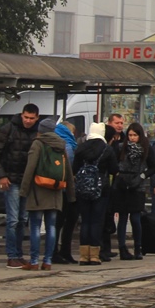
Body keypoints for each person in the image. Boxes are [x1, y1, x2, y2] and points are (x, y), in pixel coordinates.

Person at [0, 102, 41, 269]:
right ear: (22, 114)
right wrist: (1, 176)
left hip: (27, 182)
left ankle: (18, 254)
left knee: (22, 220)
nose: (28, 121)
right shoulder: (9, 129)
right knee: (12, 220)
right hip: (11, 180)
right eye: (26, 117)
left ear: (36, 118)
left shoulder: (38, 133)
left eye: (31, 118)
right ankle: (12, 255)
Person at [20, 117, 75, 271]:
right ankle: (48, 261)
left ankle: (34, 261)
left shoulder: (38, 144)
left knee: (36, 226)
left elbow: (30, 168)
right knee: (52, 226)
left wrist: (23, 190)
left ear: (41, 130)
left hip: (38, 191)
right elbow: (68, 172)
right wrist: (71, 193)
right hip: (56, 192)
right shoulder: (61, 145)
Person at [74, 122, 118, 266]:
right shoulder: (107, 149)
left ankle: (83, 256)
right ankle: (94, 255)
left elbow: (74, 168)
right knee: (96, 221)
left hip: (83, 189)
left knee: (85, 221)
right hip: (101, 189)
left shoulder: (81, 148)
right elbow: (113, 169)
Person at [113, 123, 155, 259]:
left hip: (137, 186)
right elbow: (114, 163)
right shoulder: (121, 147)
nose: (132, 138)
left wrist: (143, 176)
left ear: (140, 136)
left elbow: (154, 166)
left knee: (136, 218)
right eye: (130, 135)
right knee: (123, 218)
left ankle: (138, 247)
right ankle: (122, 248)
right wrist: (119, 175)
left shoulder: (146, 148)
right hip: (123, 185)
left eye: (135, 135)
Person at [51, 120, 79, 264]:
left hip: (57, 188)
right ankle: (62, 251)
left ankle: (56, 251)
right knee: (66, 221)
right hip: (66, 189)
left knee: (58, 221)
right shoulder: (68, 146)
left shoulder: (55, 143)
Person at [100, 111, 126, 262]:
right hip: (106, 182)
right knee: (104, 216)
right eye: (117, 123)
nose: (120, 126)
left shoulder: (123, 140)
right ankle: (103, 248)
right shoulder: (106, 141)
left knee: (110, 215)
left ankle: (108, 248)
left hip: (117, 184)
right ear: (110, 123)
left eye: (121, 123)